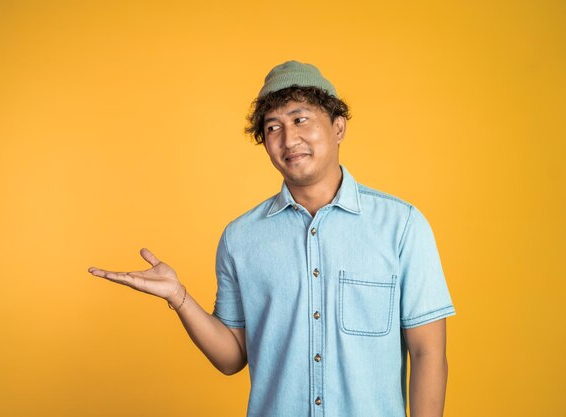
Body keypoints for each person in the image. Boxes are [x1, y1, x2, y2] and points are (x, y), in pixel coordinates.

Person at [88, 60, 456, 417]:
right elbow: (232, 357)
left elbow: (428, 353)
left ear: (338, 127)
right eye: (273, 127)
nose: (289, 138)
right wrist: (178, 297)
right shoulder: (240, 238)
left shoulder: (402, 225)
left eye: (300, 119)